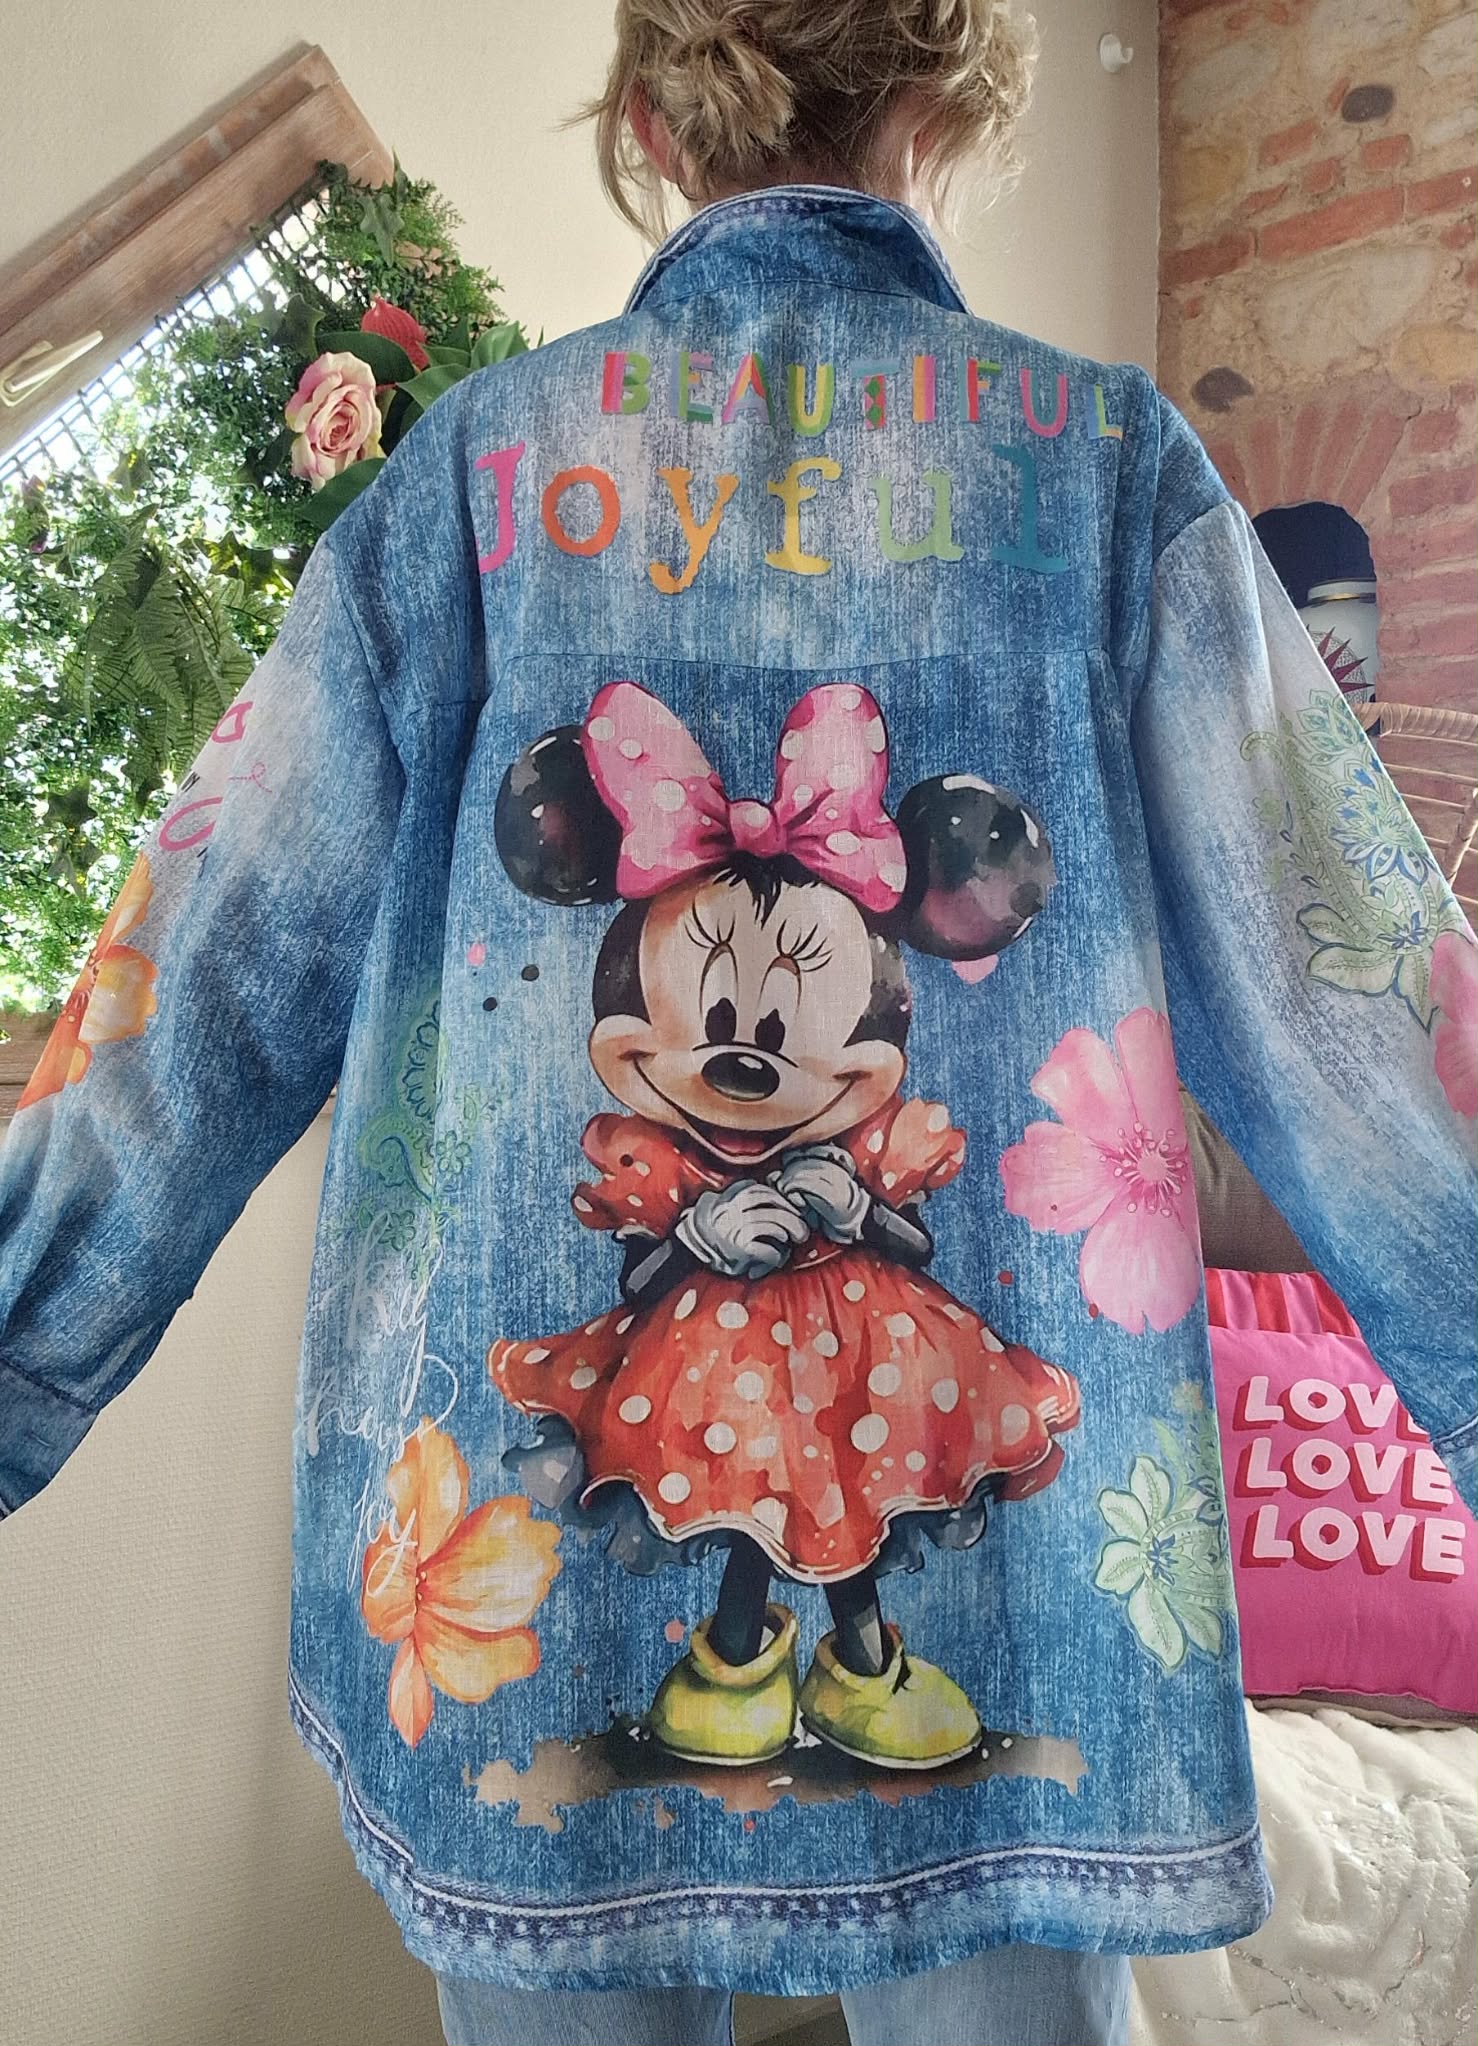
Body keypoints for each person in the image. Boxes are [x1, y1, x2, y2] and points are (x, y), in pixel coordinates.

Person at [3, 5, 1476, 2046]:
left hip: (510, 1611)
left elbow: (193, 996)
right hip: (1026, 1656)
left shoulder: (467, 487)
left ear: (645, 118)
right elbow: (1360, 1003)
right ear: (953, 102)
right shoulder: (1104, 468)